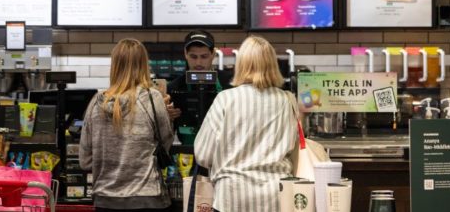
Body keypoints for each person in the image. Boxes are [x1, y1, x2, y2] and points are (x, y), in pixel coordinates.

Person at [194, 36, 298, 212]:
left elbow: (203, 154)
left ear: (241, 64)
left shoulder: (226, 99)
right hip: (276, 198)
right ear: (272, 64)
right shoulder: (288, 100)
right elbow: (293, 148)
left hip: (231, 198)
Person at [80, 38, 174, 212]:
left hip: (105, 200)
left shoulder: (96, 102)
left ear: (114, 65)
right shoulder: (152, 98)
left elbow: (85, 161)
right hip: (147, 199)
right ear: (144, 64)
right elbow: (166, 143)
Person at [166, 30, 223, 125]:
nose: (198, 63)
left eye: (204, 56)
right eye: (193, 56)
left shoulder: (229, 84)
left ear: (213, 54)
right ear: (185, 54)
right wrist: (167, 117)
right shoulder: (173, 88)